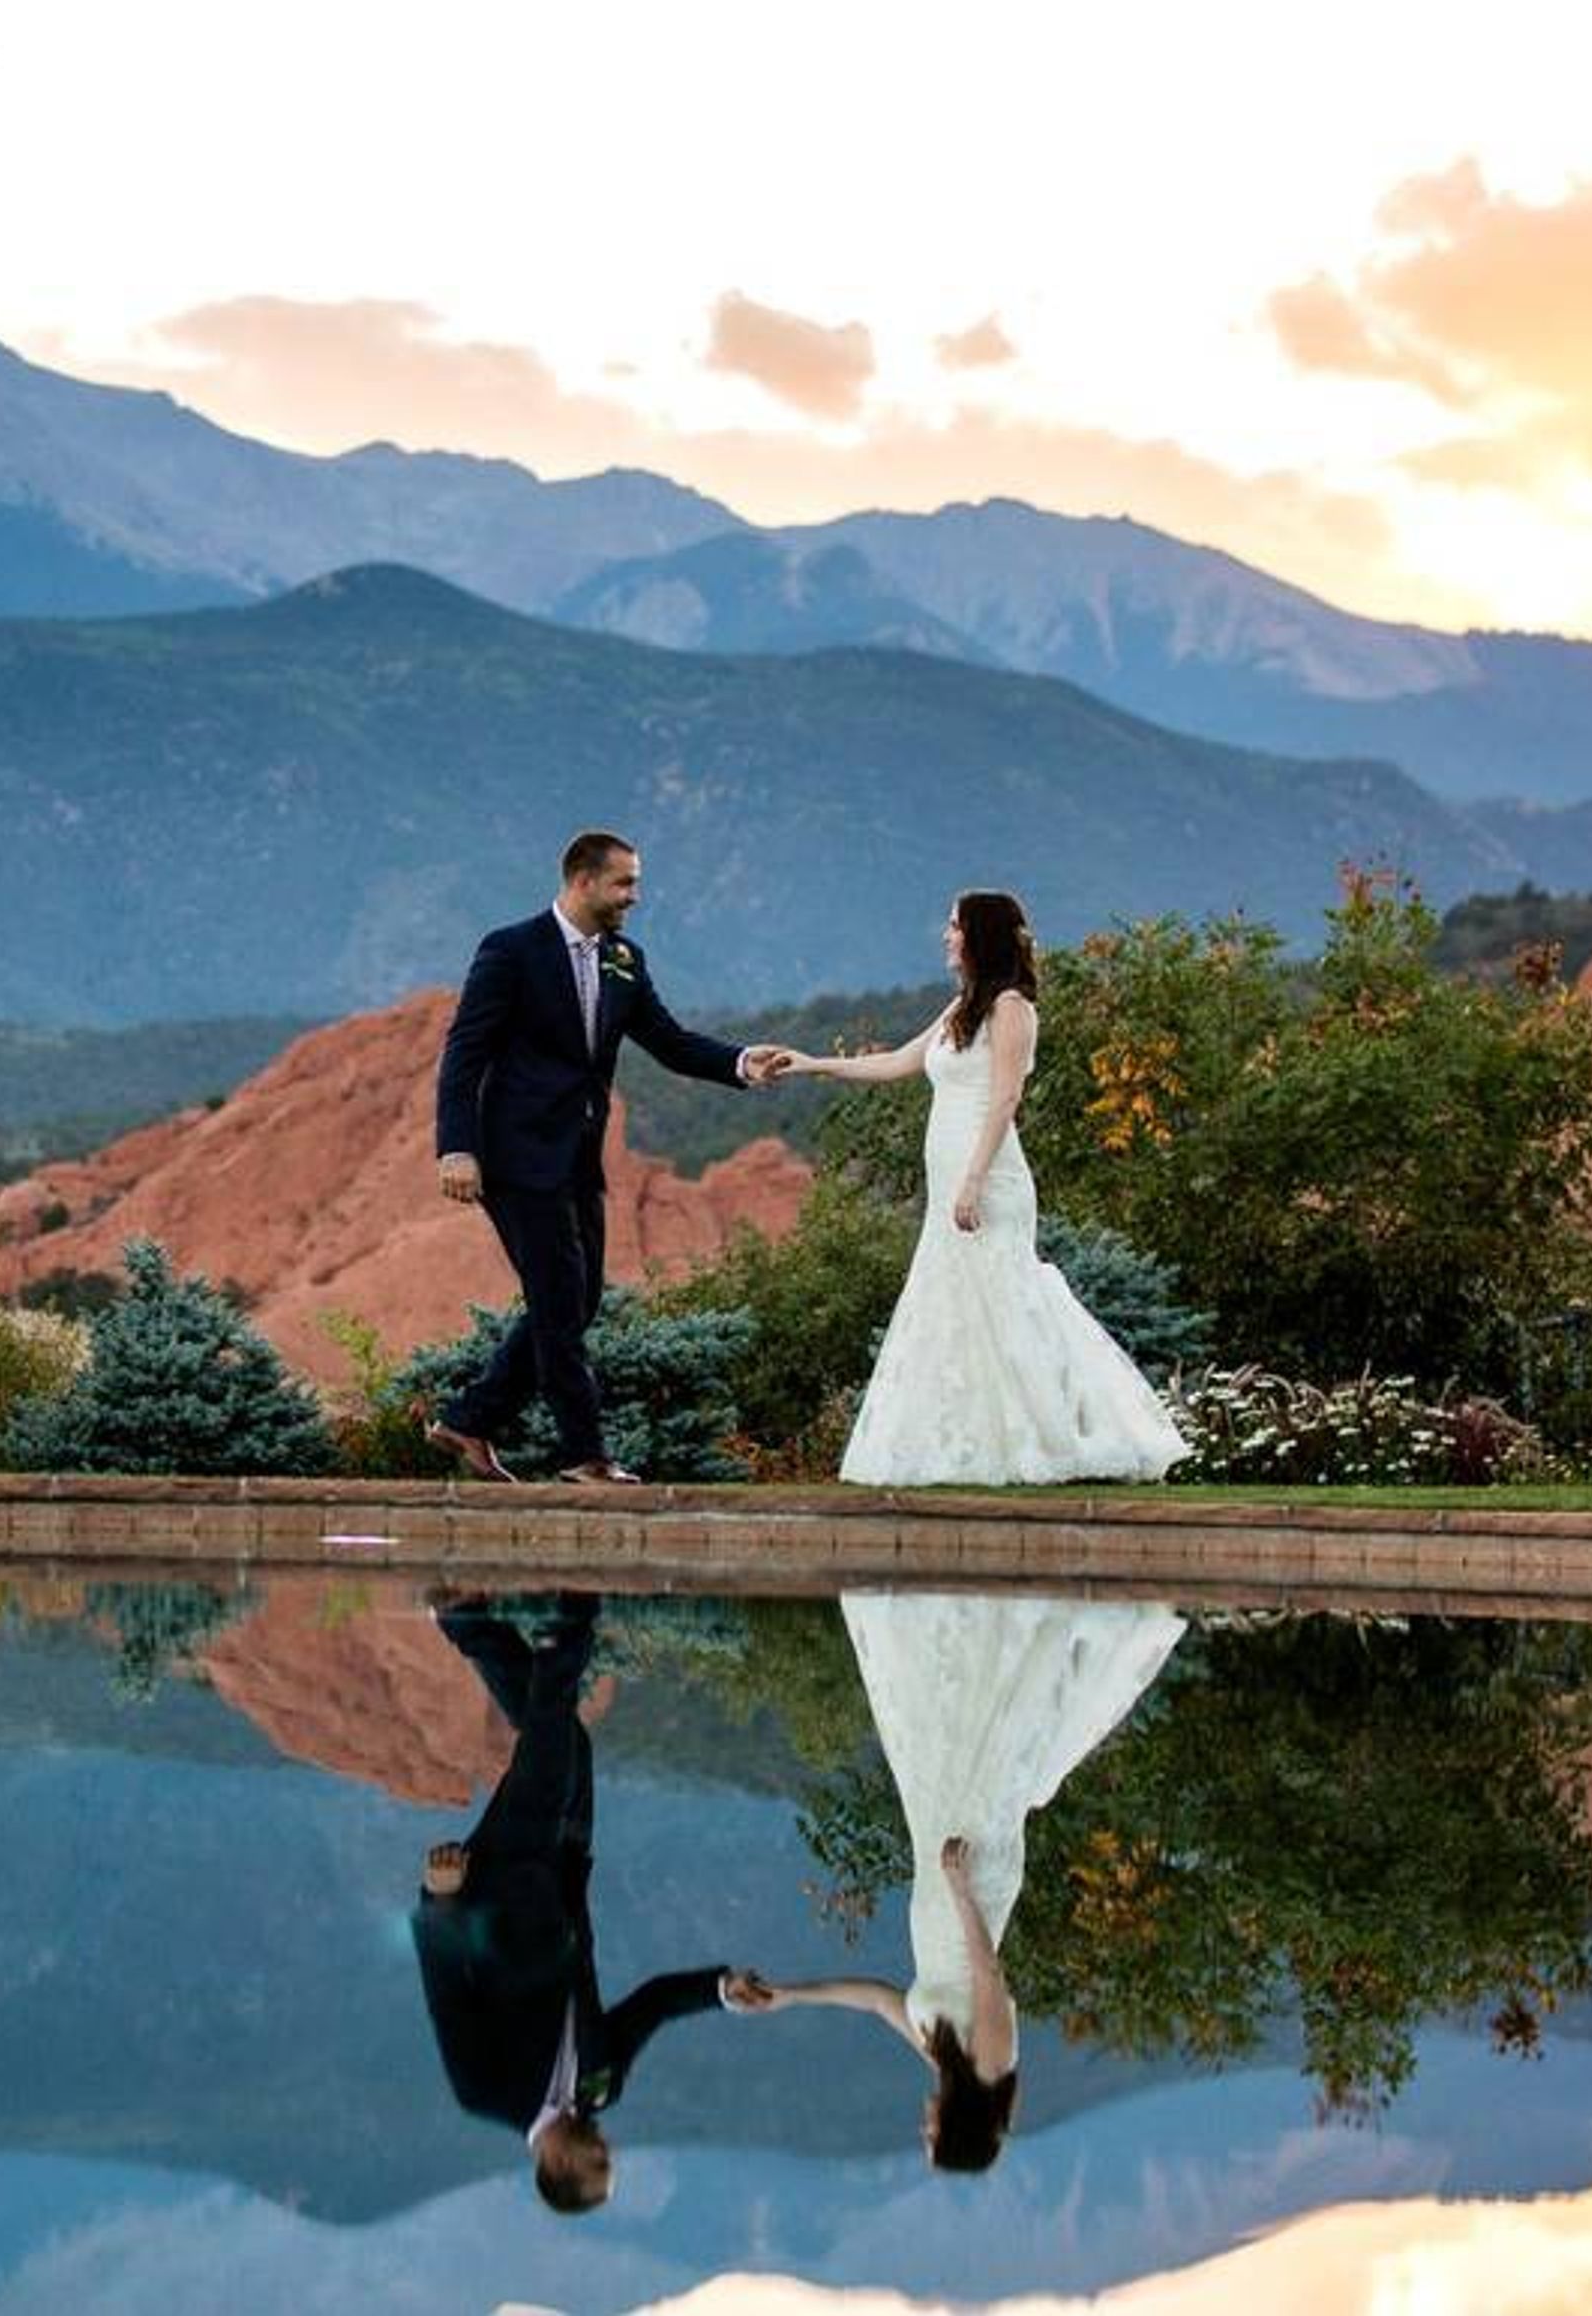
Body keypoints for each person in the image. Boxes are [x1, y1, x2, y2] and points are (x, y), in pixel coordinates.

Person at [726, 1590, 1185, 2173]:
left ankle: (968, 1621)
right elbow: (988, 1976)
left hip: (939, 1885)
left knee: (941, 1752)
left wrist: (791, 1996)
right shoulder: (991, 2063)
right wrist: (960, 1886)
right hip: (970, 1889)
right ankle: (1016, 1622)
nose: (924, 2125)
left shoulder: (941, 2056)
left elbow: (873, 2000)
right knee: (982, 1759)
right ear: (958, 2128)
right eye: (932, 2135)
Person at [774, 889, 1187, 1486]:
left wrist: (972, 1180)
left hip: (990, 1179)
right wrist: (809, 1063)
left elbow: (1006, 1097)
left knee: (1007, 1297)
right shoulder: (960, 1009)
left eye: (954, 926)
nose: (946, 936)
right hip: (950, 1179)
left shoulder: (1012, 1008)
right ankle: (970, 1446)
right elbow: (895, 1063)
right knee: (955, 1307)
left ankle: (1058, 1437)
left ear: (980, 936)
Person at [429, 832, 788, 1484]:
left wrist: (741, 1062)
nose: (635, 896)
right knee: (562, 1299)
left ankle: (469, 1419)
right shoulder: (511, 950)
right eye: (624, 883)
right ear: (583, 880)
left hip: (578, 1159)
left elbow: (670, 1041)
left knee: (579, 1299)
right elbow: (465, 1052)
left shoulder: (625, 958)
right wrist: (456, 1146)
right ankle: (585, 1455)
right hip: (514, 1158)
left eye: (635, 882)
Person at [411, 1591, 763, 2212]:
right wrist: (721, 1990)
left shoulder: (486, 2092)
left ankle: (578, 1599)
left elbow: (448, 1991)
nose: (607, 2148)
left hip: (503, 1882)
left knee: (551, 1740)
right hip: (567, 1868)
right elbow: (652, 2006)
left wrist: (439, 1901)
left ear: (555, 2165)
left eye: (595, 2162)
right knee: (566, 1740)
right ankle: (462, 1613)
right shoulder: (604, 2087)